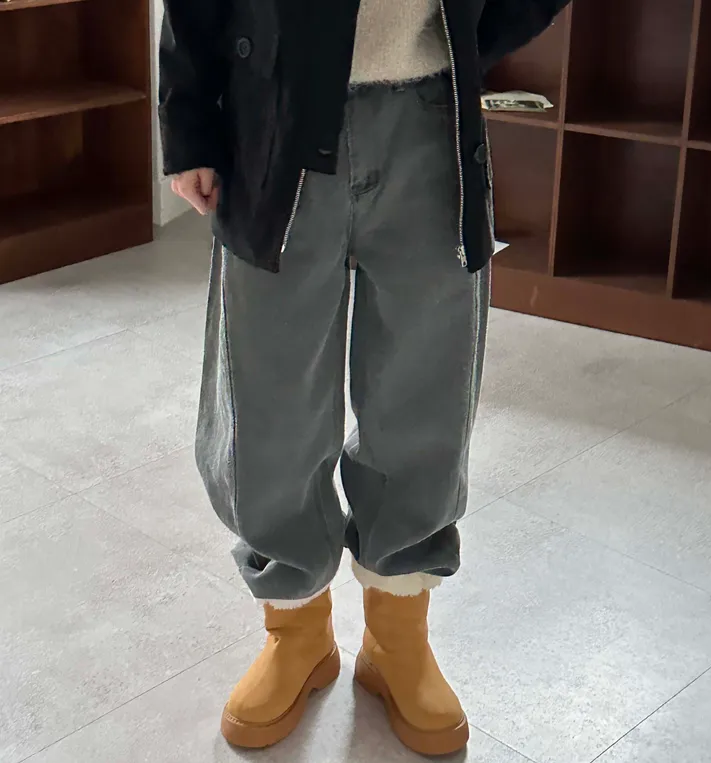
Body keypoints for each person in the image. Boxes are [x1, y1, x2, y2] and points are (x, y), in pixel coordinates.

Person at [159, 0, 568, 755]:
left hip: (431, 116)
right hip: (274, 112)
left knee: (425, 387)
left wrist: (470, 35)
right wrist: (188, 123)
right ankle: (296, 631)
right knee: (270, 394)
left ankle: (397, 634)